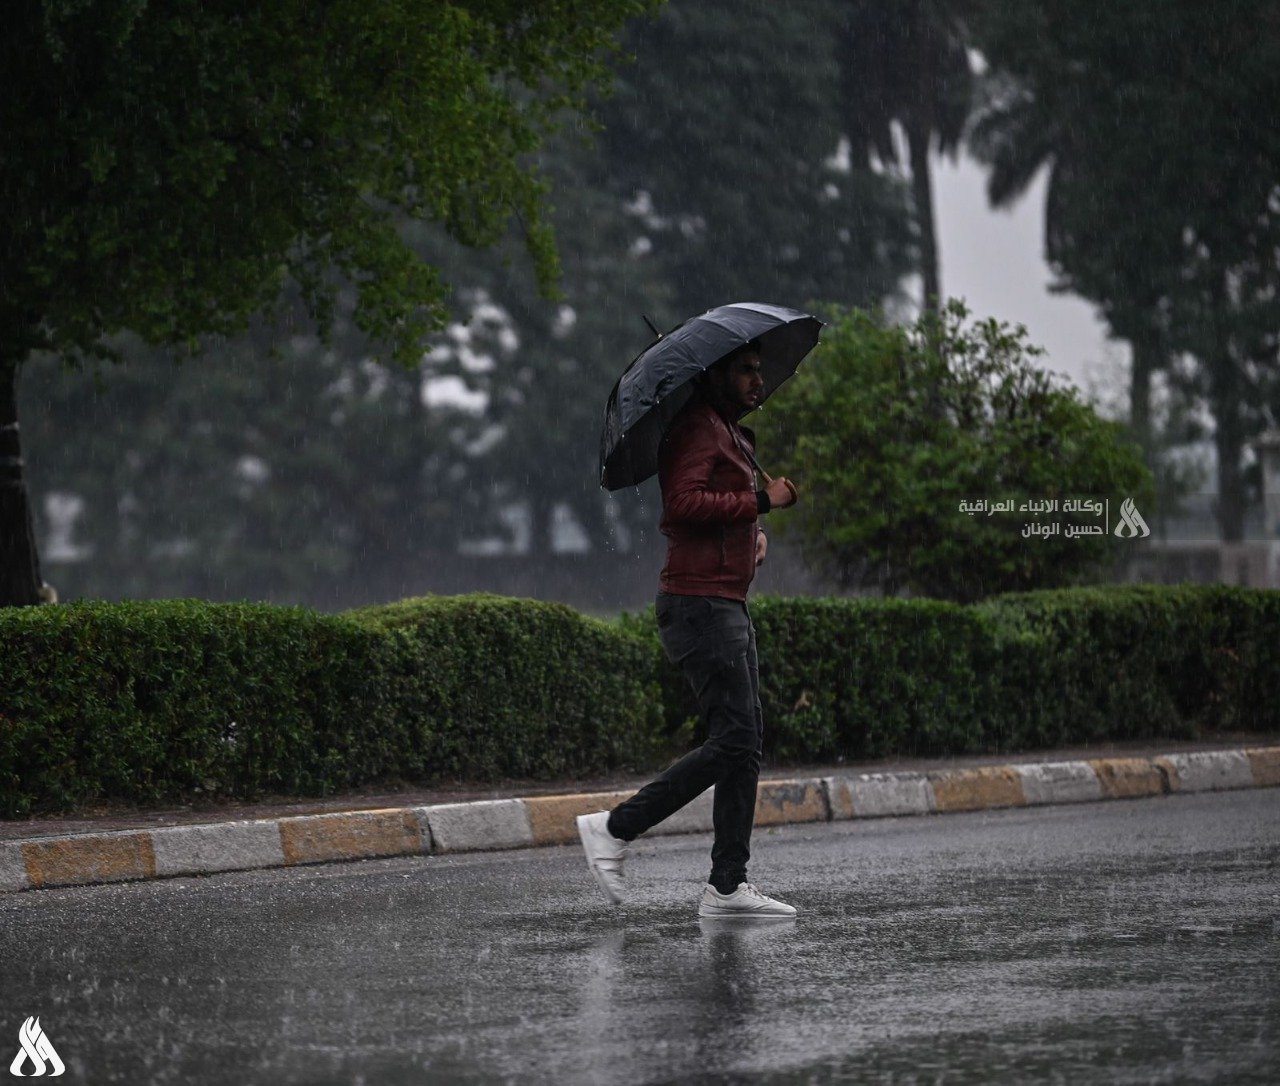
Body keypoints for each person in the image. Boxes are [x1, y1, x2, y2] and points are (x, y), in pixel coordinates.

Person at [577, 340, 799, 918]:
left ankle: (728, 886)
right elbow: (682, 505)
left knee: (745, 744)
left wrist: (750, 538)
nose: (757, 380)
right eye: (746, 370)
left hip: (724, 599)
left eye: (759, 368)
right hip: (698, 605)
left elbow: (715, 517)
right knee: (733, 739)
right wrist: (759, 502)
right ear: (715, 375)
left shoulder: (728, 432)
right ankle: (614, 827)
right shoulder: (699, 428)